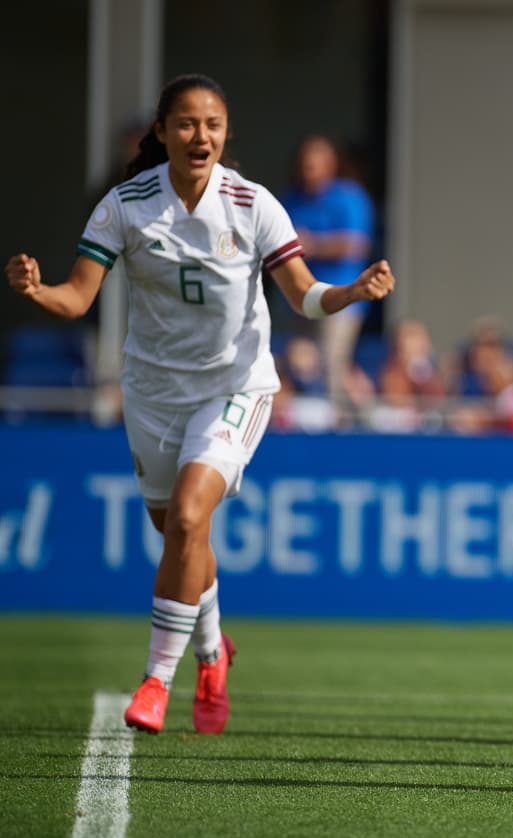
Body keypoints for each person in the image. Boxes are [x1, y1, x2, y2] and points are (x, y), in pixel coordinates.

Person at [5, 74, 394, 735]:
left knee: (188, 516)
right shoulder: (125, 206)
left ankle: (157, 680)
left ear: (226, 134)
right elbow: (77, 297)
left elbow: (301, 296)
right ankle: (214, 651)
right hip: (152, 394)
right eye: (185, 123)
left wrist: (351, 292)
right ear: (161, 132)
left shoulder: (253, 204)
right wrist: (38, 290)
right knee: (181, 536)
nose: (200, 135)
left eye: (212, 124)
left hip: (233, 387)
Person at [280, 135, 377, 416]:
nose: (309, 167)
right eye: (305, 162)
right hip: (300, 294)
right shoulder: (292, 199)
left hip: (342, 300)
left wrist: (313, 245)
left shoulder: (349, 197)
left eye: (316, 162)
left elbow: (356, 244)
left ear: (332, 164)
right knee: (298, 362)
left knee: (332, 365)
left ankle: (344, 426)